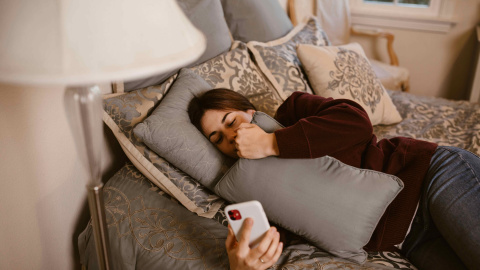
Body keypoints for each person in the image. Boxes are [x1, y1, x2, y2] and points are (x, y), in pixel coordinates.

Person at [188, 88, 480, 270]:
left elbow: (357, 122)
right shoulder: (251, 187)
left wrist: (271, 144)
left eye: (231, 121)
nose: (231, 136)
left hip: (433, 177)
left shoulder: (293, 110)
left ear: (250, 111)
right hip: (410, 240)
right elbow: (290, 231)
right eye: (218, 138)